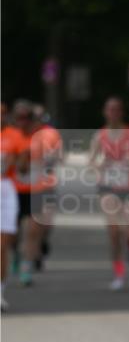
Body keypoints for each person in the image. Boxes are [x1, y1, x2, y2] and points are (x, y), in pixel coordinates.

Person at [89, 96, 129, 290]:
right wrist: (99, 166)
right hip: (108, 187)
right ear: (105, 112)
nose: (113, 113)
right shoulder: (100, 136)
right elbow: (91, 161)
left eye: (116, 109)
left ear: (121, 112)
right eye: (110, 109)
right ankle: (119, 274)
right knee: (114, 232)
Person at [10, 100, 62, 287]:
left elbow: (55, 158)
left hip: (38, 189)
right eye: (19, 118)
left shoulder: (45, 136)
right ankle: (15, 255)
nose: (23, 122)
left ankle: (26, 267)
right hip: (14, 191)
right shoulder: (9, 136)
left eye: (27, 118)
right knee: (12, 234)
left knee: (33, 231)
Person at [1, 102, 22, 310]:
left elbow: (24, 166)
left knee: (2, 246)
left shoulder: (13, 136)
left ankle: (1, 292)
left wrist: (16, 159)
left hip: (6, 189)